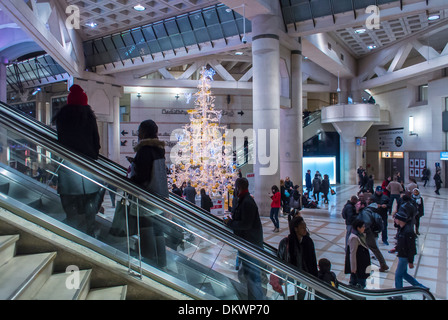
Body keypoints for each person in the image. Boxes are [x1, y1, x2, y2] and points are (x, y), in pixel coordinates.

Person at [53, 84, 102, 237]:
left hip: (67, 169)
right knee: (91, 204)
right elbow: (96, 143)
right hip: (88, 170)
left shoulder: (62, 118)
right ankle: (89, 234)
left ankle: (72, 236)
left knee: (71, 210)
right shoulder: (89, 117)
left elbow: (60, 141)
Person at [129, 119, 170, 268]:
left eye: (139, 130)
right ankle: (161, 263)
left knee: (146, 231)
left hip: (146, 199)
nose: (138, 133)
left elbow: (142, 177)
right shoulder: (159, 150)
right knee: (158, 232)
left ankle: (149, 266)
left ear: (144, 132)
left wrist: (133, 171)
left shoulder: (144, 151)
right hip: (158, 199)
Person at [224, 178, 265, 300]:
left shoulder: (247, 202)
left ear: (238, 187)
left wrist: (230, 223)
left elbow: (246, 224)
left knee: (253, 275)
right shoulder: (242, 200)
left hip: (250, 244)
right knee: (247, 273)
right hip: (246, 242)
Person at [277, 216, 318, 298]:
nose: (305, 229)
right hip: (289, 280)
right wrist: (281, 280)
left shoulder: (308, 242)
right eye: (302, 227)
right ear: (295, 229)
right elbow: (279, 262)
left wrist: (314, 279)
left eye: (305, 227)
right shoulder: (285, 243)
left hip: (303, 280)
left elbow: (313, 262)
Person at [393, 210, 428, 293]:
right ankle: (421, 287)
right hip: (401, 254)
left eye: (396, 219)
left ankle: (398, 296)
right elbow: (402, 242)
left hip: (404, 257)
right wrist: (396, 248)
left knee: (398, 276)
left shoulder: (408, 231)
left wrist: (411, 261)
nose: (394, 220)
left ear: (400, 220)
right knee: (404, 274)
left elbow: (411, 248)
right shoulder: (402, 229)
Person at [357, 196, 389, 272]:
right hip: (372, 231)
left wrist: (363, 229)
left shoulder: (365, 211)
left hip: (367, 232)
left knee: (369, 248)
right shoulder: (373, 210)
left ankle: (382, 264)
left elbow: (367, 222)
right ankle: (383, 264)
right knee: (373, 248)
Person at [345, 219, 371, 289]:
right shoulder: (354, 237)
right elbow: (352, 253)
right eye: (362, 227)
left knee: (361, 281)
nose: (364, 228)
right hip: (359, 266)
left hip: (362, 264)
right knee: (359, 282)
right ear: (358, 228)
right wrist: (353, 268)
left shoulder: (361, 235)